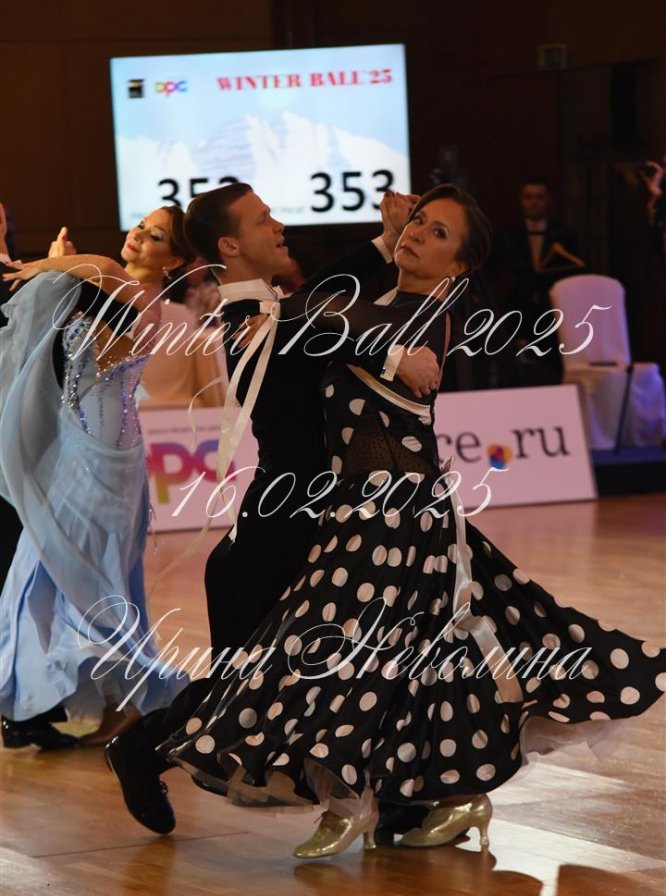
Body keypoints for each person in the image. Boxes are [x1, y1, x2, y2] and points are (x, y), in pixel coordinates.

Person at [158, 184, 665, 860]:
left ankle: (351, 801)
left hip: (397, 514)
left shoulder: (424, 317)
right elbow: (318, 311)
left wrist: (342, 335)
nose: (419, 234)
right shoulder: (372, 306)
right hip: (363, 514)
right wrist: (334, 286)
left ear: (460, 267)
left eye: (438, 234)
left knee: (338, 652)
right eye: (419, 222)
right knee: (405, 667)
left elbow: (317, 314)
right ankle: (446, 797)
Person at [105, 183, 440, 835]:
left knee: (347, 662)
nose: (279, 224)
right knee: (246, 692)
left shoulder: (275, 309)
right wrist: (393, 353)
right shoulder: (248, 320)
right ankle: (140, 748)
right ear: (230, 245)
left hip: (306, 522)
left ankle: (399, 801)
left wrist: (385, 241)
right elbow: (307, 329)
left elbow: (315, 308)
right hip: (275, 534)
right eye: (263, 219)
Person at [0, 207, 193, 748]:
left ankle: (106, 699)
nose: (139, 236)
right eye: (141, 225)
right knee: (50, 568)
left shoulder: (144, 298)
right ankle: (66, 699)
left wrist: (52, 265)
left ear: (174, 260)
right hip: (82, 446)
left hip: (102, 455)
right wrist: (61, 267)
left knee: (77, 573)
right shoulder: (106, 287)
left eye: (155, 236)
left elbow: (100, 270)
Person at [490, 178, 584, 386]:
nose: (534, 202)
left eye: (539, 197)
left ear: (548, 201)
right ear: (521, 201)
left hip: (553, 313)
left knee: (551, 369)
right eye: (528, 197)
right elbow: (492, 272)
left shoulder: (565, 235)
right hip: (517, 314)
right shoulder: (507, 235)